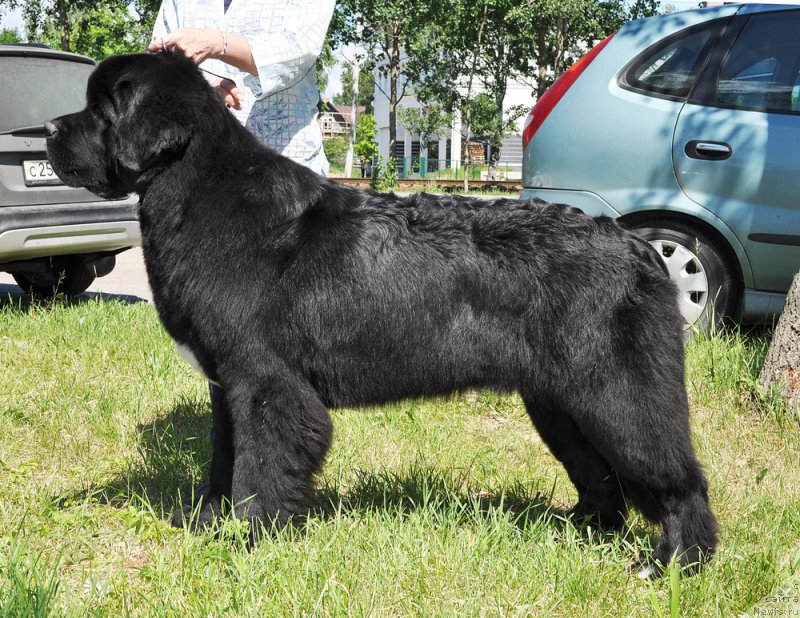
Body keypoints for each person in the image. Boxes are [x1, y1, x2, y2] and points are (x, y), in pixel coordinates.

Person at [148, 0, 335, 176]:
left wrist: (218, 43)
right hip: (194, 170)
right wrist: (201, 91)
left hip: (283, 168)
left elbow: (299, 48)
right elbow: (161, 57)